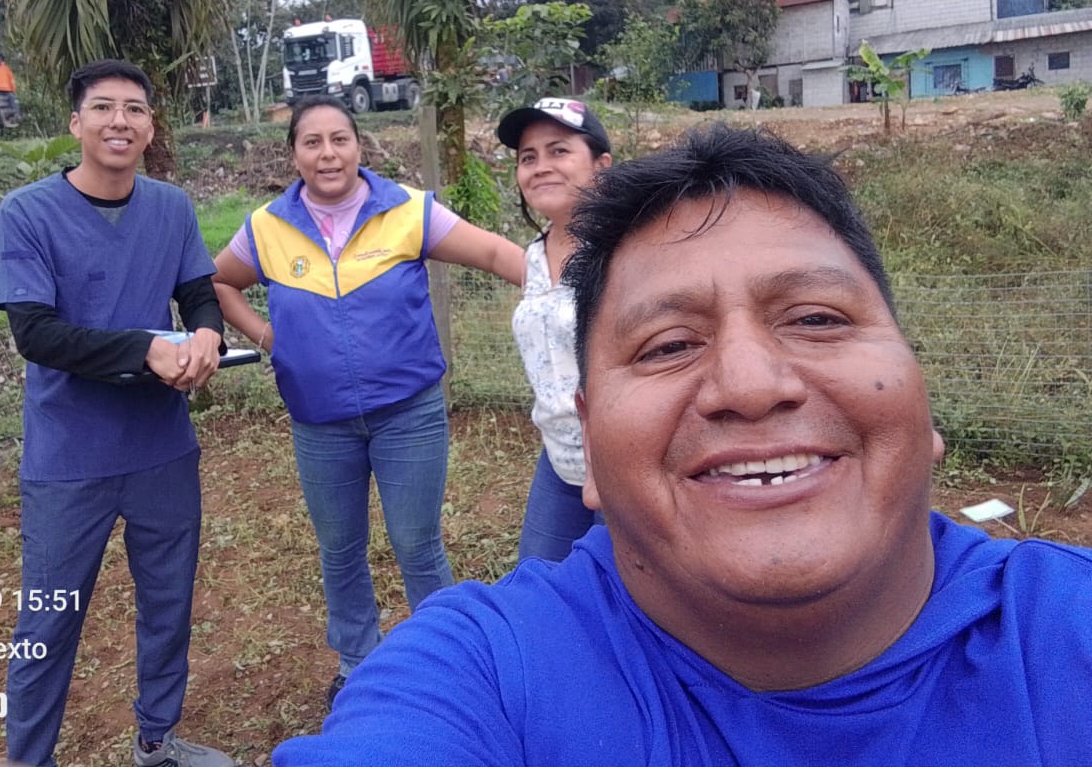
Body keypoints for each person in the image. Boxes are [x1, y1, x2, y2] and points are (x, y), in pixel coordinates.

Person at [271, 124, 1092, 765]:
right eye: (667, 345)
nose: (750, 384)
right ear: (589, 432)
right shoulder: (484, 673)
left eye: (816, 318)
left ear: (922, 392)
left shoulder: (1065, 631)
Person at [211, 94, 524, 710]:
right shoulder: (267, 228)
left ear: (359, 146)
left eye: (340, 139)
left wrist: (559, 285)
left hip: (409, 415)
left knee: (417, 543)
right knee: (340, 549)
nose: (328, 154)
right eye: (312, 142)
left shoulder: (406, 210)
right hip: (319, 423)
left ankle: (449, 663)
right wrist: (269, 337)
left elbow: (492, 252)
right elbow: (218, 281)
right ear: (294, 155)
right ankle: (358, 663)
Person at [0, 59, 232, 767]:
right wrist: (146, 348)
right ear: (76, 123)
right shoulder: (27, 213)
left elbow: (199, 292)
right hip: (71, 456)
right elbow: (36, 334)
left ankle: (157, 740)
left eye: (135, 109)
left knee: (168, 603)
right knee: (50, 620)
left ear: (150, 127)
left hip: (161, 447)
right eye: (103, 107)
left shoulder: (171, 208)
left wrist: (207, 333)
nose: (119, 121)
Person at [496, 98, 612, 562]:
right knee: (537, 578)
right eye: (528, 157)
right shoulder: (534, 254)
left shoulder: (625, 250)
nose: (540, 166)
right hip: (559, 457)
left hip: (621, 458)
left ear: (601, 166)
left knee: (618, 588)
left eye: (559, 150)